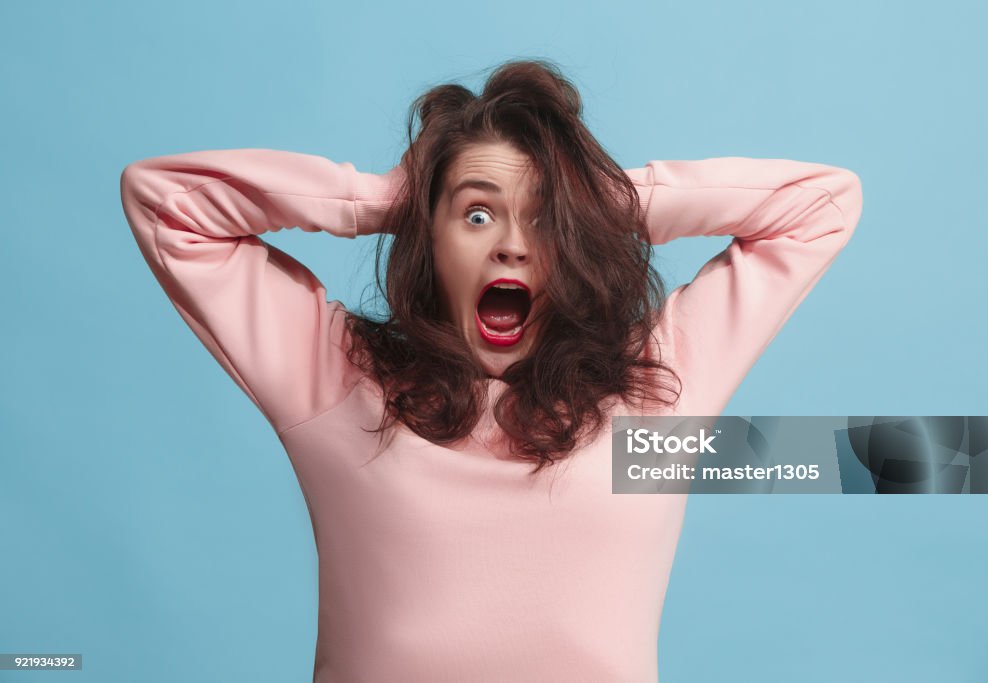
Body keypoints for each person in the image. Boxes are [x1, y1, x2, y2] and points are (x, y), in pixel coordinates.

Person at [120, 59, 863, 682]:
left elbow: (822, 203)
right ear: (429, 238)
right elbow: (168, 203)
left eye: (543, 220)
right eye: (477, 215)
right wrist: (381, 199)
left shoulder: (652, 397)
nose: (510, 244)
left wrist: (597, 198)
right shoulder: (336, 379)